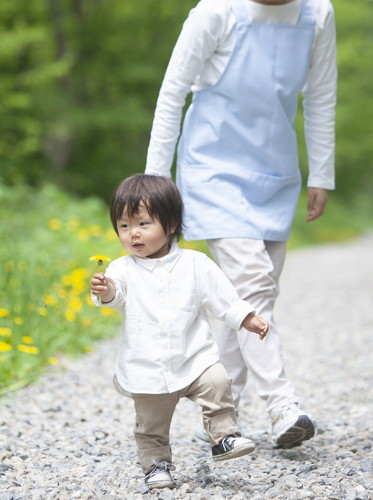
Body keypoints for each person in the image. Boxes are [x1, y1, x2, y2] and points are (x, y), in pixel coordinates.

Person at [144, 0, 337, 449]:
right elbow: (173, 90)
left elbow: (322, 92)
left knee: (249, 300)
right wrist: (156, 182)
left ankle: (221, 417)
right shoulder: (217, 12)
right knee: (252, 284)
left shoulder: (318, 14)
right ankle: (282, 405)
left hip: (275, 174)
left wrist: (322, 172)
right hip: (213, 169)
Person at [90, 173, 269, 490]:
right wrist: (105, 290)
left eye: (144, 224)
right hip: (146, 364)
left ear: (171, 225)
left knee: (217, 381)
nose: (133, 234)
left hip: (193, 356)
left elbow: (223, 299)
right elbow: (115, 297)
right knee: (150, 423)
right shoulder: (121, 268)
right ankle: (156, 464)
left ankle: (225, 437)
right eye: (124, 226)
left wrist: (247, 319)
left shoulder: (196, 264)